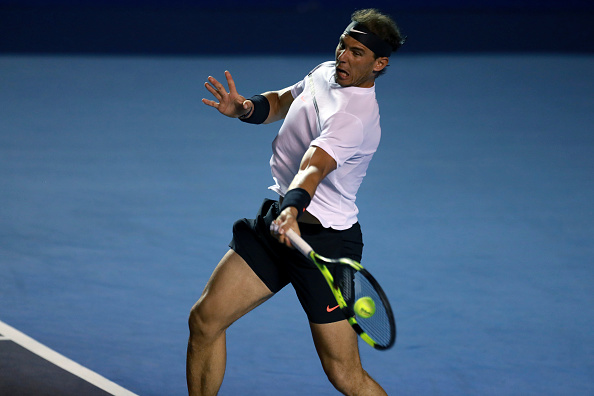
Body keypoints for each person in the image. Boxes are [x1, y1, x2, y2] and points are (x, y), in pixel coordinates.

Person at [187, 8, 405, 396]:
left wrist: (292, 207)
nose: (343, 57)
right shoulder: (326, 72)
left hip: (324, 243)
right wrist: (246, 108)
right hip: (279, 226)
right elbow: (285, 100)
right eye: (343, 45)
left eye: (357, 53)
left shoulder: (354, 117)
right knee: (205, 320)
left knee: (344, 375)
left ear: (379, 63)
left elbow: (313, 167)